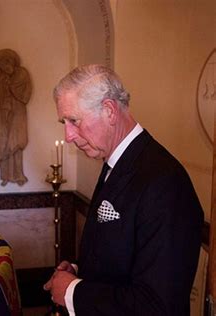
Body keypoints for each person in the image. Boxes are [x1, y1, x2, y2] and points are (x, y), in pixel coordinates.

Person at [44, 64, 203, 315]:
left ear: (109, 111)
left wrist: (74, 291)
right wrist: (79, 273)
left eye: (74, 120)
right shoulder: (118, 163)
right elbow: (122, 253)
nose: (68, 135)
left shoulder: (165, 181)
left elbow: (158, 304)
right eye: (64, 122)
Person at [0, 48, 32, 186]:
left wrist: (10, 86)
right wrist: (3, 83)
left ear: (11, 62)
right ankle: (6, 175)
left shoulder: (22, 73)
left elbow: (25, 94)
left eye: (6, 64)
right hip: (4, 113)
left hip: (17, 111)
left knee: (16, 142)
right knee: (4, 143)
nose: (5, 68)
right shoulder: (3, 78)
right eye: (2, 67)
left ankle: (18, 175)